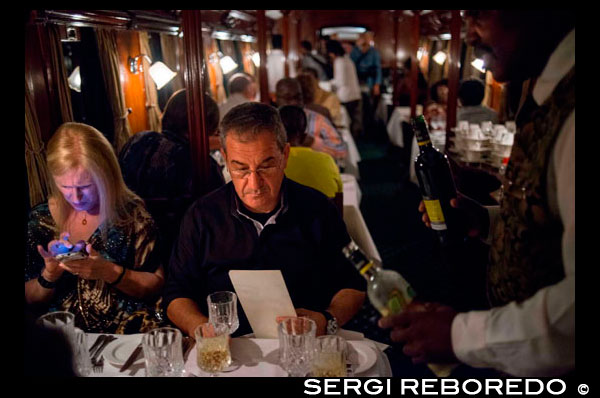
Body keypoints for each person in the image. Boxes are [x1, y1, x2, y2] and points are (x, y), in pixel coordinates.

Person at [379, 10, 575, 377]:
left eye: (479, 15)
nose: (469, 36)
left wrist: (459, 335)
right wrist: (484, 218)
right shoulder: (547, 94)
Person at [162, 102, 366, 337]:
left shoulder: (317, 209)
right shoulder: (201, 216)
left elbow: (354, 285)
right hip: (230, 350)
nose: (254, 184)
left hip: (304, 345)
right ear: (226, 160)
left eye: (266, 166)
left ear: (285, 155)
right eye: (240, 169)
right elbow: (176, 293)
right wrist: (199, 327)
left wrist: (326, 320)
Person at [25, 122, 165, 334]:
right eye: (65, 187)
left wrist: (109, 271)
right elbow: (30, 299)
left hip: (123, 337)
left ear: (106, 176)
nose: (75, 197)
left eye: (85, 186)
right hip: (60, 341)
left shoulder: (132, 216)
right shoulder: (39, 220)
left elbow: (156, 287)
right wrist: (49, 275)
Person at [119, 90, 225, 267]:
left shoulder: (138, 140)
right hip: (178, 255)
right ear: (207, 127)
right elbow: (218, 220)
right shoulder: (202, 164)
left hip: (128, 246)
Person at [279, 104, 343, 211]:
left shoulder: (273, 166)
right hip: (325, 226)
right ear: (305, 136)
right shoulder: (326, 160)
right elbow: (338, 202)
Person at [275, 77, 348, 163]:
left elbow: (342, 152)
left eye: (298, 97)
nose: (294, 102)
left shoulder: (317, 120)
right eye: (288, 98)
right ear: (276, 99)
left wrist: (314, 143)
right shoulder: (269, 122)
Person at [327, 39, 362, 138]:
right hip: (355, 94)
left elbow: (340, 81)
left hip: (345, 96)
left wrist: (328, 83)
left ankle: (351, 145)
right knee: (354, 121)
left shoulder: (339, 62)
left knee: (347, 122)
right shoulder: (348, 60)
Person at [350, 31, 382, 135]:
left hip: (369, 82)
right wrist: (359, 50)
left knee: (369, 107)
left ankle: (369, 130)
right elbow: (351, 64)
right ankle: (359, 129)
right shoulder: (355, 51)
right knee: (358, 107)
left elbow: (378, 69)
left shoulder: (374, 52)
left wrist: (377, 84)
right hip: (357, 82)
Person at [266, 34, 287, 101]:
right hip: (285, 91)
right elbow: (292, 75)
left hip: (270, 92)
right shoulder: (286, 58)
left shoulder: (267, 57)